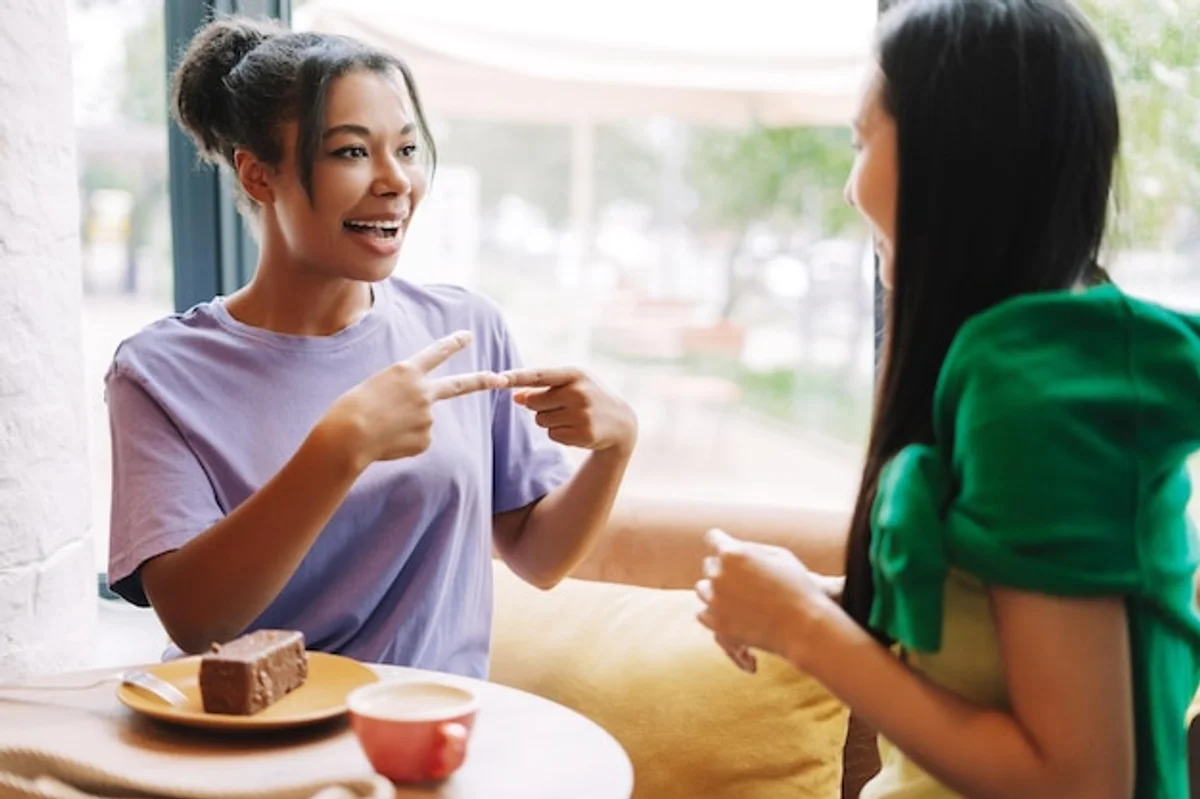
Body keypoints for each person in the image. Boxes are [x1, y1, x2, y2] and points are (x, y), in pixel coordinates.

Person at [695, 0, 1200, 796]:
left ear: (954, 156)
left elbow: (1081, 778)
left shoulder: (1034, 394)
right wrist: (803, 599)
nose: (849, 188)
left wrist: (802, 622)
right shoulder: (1025, 363)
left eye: (861, 142)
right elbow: (990, 633)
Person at [104, 16, 638, 680]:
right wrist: (340, 445)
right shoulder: (159, 372)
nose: (396, 182)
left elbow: (538, 554)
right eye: (351, 152)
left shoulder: (463, 330)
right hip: (253, 750)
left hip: (427, 742)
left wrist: (614, 449)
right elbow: (196, 621)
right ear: (258, 176)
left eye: (407, 150)